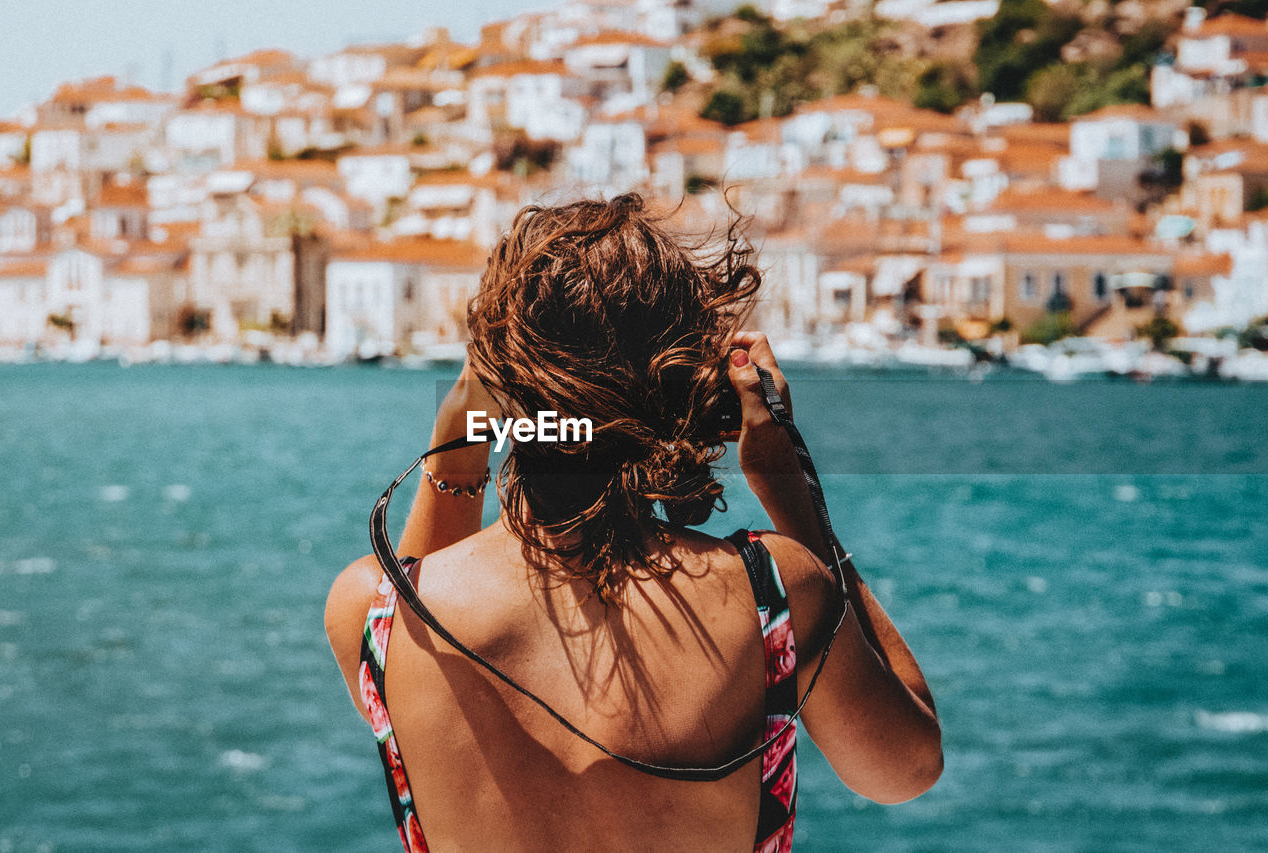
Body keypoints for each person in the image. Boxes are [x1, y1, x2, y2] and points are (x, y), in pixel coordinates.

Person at [325, 194, 941, 852]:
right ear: (683, 388)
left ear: (496, 382)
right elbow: (904, 770)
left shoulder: (374, 613)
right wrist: (794, 497)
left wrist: (461, 430)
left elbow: (412, 622)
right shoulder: (775, 594)